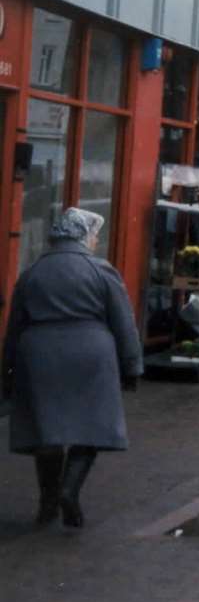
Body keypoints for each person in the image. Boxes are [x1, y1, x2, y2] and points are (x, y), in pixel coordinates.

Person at [3, 209, 142, 528]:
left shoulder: (33, 272)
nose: (95, 241)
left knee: (46, 431)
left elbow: (14, 327)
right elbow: (123, 322)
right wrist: (132, 365)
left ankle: (48, 501)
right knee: (92, 425)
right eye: (94, 236)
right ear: (82, 235)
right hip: (90, 354)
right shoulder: (100, 269)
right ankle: (69, 489)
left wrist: (6, 370)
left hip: (38, 354)